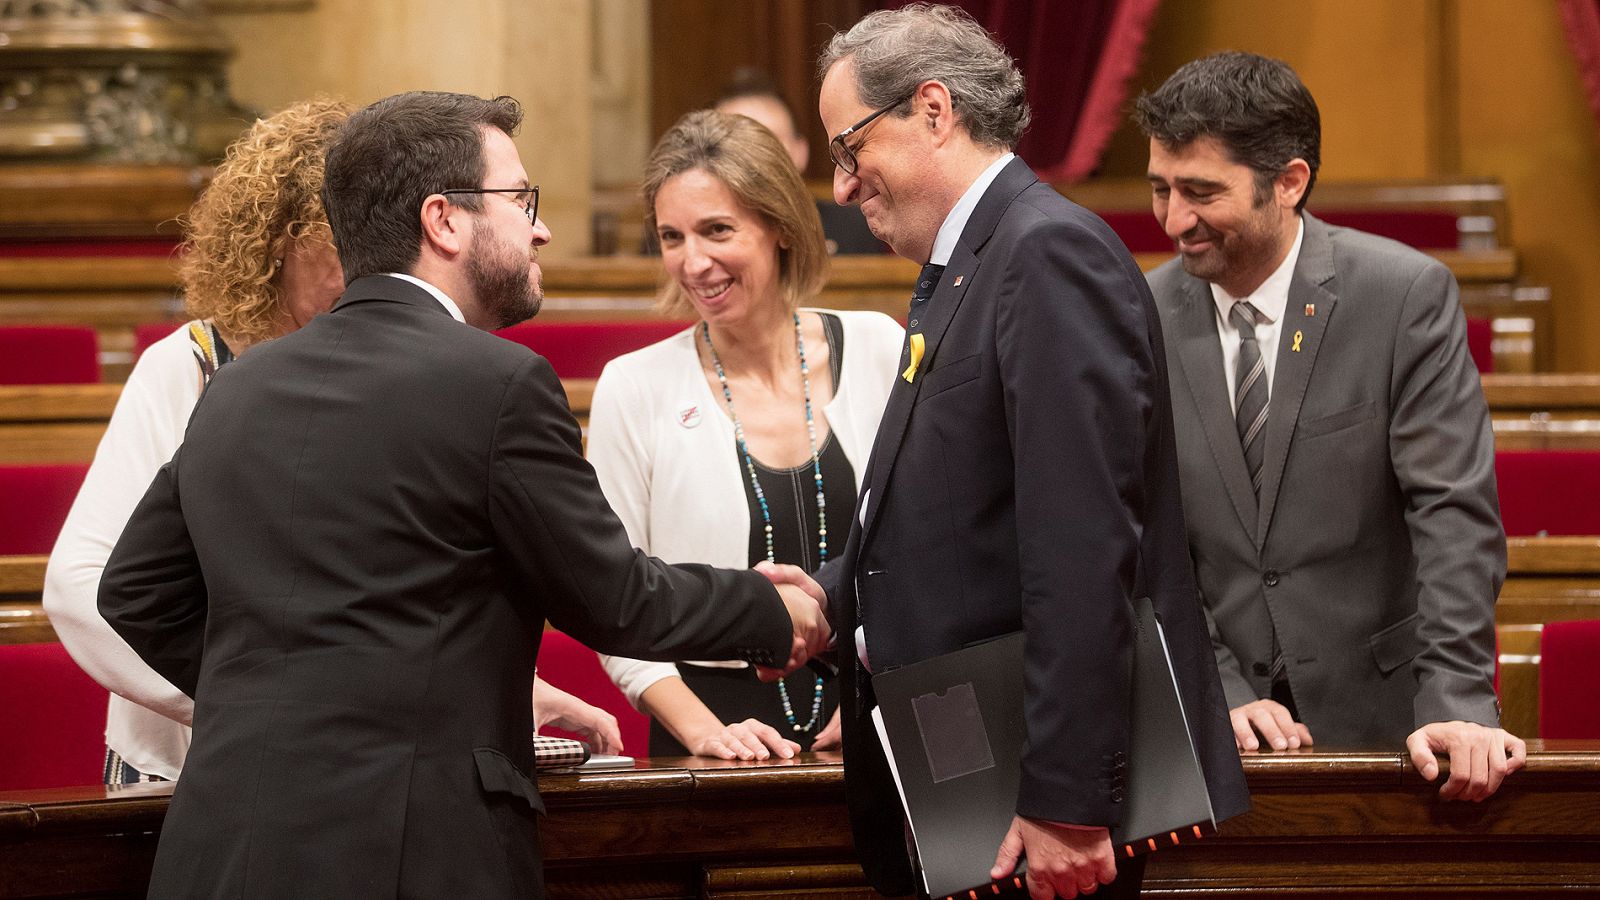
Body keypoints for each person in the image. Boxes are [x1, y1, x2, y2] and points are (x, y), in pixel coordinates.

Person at [96, 91, 829, 898]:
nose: (540, 228)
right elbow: (615, 597)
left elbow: (133, 590)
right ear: (444, 221)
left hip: (220, 847)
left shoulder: (237, 389)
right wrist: (775, 614)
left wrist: (278, 698)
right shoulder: (498, 383)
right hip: (414, 851)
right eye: (522, 201)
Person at [760, 6, 1250, 899]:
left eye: (849, 148)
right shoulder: (970, 262)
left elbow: (1082, 547)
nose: (839, 187)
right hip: (971, 789)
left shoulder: (1044, 253)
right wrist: (831, 599)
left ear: (934, 111)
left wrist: (1067, 801)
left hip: (1033, 812)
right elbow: (962, 516)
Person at [42, 99, 621, 788]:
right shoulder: (192, 366)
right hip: (192, 768)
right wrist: (251, 703)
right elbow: (81, 587)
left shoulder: (410, 371)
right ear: (277, 241)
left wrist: (504, 685)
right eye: (341, 238)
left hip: (361, 771)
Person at [1135, 51, 1525, 801]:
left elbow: (1453, 513)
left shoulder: (1403, 296)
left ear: (1289, 182)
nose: (1175, 218)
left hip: (1388, 723)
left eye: (1201, 191)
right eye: (1161, 189)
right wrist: (1213, 684)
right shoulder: (1138, 313)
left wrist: (1455, 700)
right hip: (1210, 728)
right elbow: (1140, 530)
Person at [588, 110, 903, 760]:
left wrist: (889, 696)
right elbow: (611, 603)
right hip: (710, 732)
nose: (692, 261)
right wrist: (707, 733)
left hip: (883, 712)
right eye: (671, 236)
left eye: (717, 230)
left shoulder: (878, 346)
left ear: (781, 226)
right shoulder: (633, 386)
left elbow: (932, 548)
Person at [714, 70, 883, 255]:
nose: (753, 158)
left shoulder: (856, 226)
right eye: (736, 144)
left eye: (769, 142)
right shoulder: (694, 234)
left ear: (800, 151)